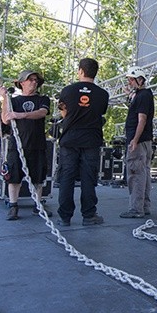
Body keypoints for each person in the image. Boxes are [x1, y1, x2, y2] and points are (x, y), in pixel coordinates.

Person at [55, 57, 109, 227]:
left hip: (70, 139)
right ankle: (89, 215)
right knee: (88, 178)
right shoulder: (103, 94)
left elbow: (64, 113)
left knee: (67, 177)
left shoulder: (67, 91)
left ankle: (65, 217)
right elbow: (99, 114)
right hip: (91, 140)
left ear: (81, 71)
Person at [0, 70, 52, 221]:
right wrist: (4, 99)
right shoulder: (14, 101)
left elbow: (41, 113)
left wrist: (21, 115)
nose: (34, 82)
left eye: (36, 80)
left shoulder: (43, 99)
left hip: (37, 144)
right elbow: (6, 119)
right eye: (30, 80)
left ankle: (37, 205)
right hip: (17, 144)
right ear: (22, 82)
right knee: (14, 177)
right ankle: (13, 206)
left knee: (38, 178)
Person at [120, 66, 155, 219]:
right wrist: (129, 96)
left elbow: (142, 119)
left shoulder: (142, 96)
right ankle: (144, 206)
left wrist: (134, 139)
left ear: (139, 80)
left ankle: (136, 208)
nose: (129, 83)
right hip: (145, 140)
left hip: (138, 141)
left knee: (135, 174)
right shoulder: (143, 96)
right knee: (144, 173)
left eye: (131, 80)